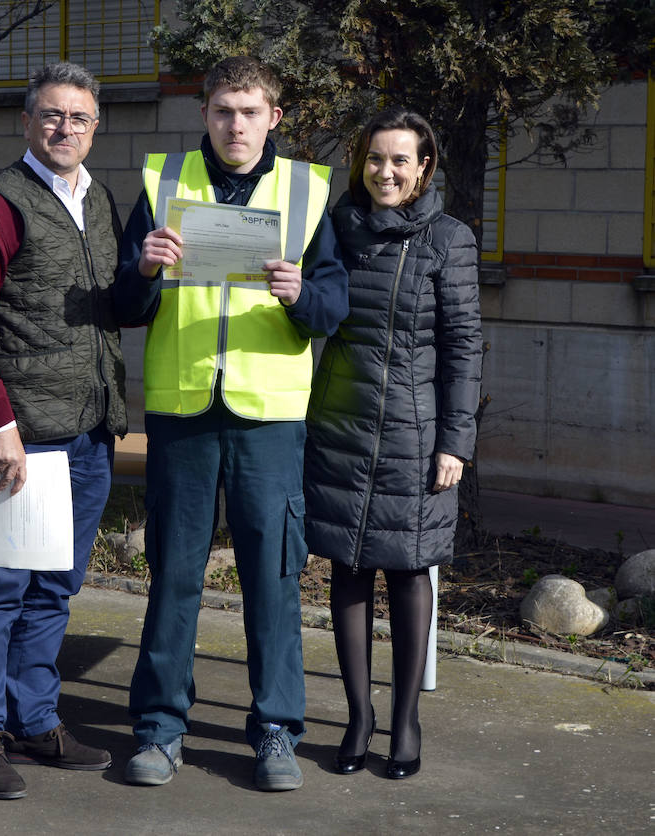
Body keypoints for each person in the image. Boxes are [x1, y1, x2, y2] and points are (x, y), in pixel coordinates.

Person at [112, 55, 348, 792]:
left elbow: (334, 309)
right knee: (173, 577)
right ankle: (158, 729)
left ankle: (276, 730)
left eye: (249, 111)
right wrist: (144, 271)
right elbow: (123, 304)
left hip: (269, 418)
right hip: (182, 410)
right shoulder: (162, 184)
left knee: (273, 581)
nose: (234, 123)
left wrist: (301, 293)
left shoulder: (307, 193)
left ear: (274, 117)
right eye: (222, 110)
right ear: (205, 113)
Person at [0, 61, 127, 800]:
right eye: (50, 115)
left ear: (95, 126)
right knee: (1, 588)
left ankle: (36, 719)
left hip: (89, 432)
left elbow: (110, 309)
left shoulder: (98, 200)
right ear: (26, 123)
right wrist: (2, 424)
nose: (64, 128)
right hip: (26, 438)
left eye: (78, 118)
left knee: (55, 587)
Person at [303, 107, 483, 780]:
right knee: (346, 570)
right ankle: (359, 715)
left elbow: (465, 349)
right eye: (376, 159)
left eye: (400, 160)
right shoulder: (338, 229)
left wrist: (455, 442)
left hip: (417, 436)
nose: (386, 172)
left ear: (425, 167)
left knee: (409, 573)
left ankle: (404, 719)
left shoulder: (449, 240)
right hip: (341, 426)